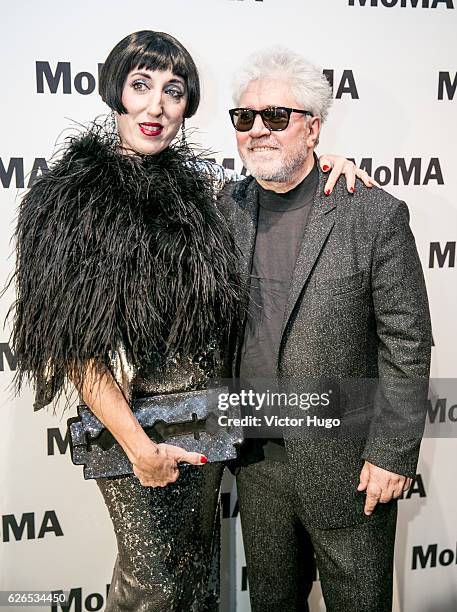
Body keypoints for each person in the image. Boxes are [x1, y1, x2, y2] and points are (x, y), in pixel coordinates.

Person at [9, 31, 376, 611]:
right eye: (141, 86)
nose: (156, 105)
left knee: (194, 582)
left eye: (173, 91)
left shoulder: (199, 194)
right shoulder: (71, 199)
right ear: (116, 94)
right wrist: (138, 448)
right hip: (142, 435)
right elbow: (77, 350)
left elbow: (277, 184)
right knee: (152, 586)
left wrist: (320, 163)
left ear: (187, 106)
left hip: (205, 427)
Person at [218, 48, 432, 612]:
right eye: (245, 118)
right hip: (258, 463)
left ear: (313, 128)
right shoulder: (223, 209)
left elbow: (407, 344)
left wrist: (392, 453)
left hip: (351, 469)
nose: (258, 130)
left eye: (276, 117)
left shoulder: (373, 214)